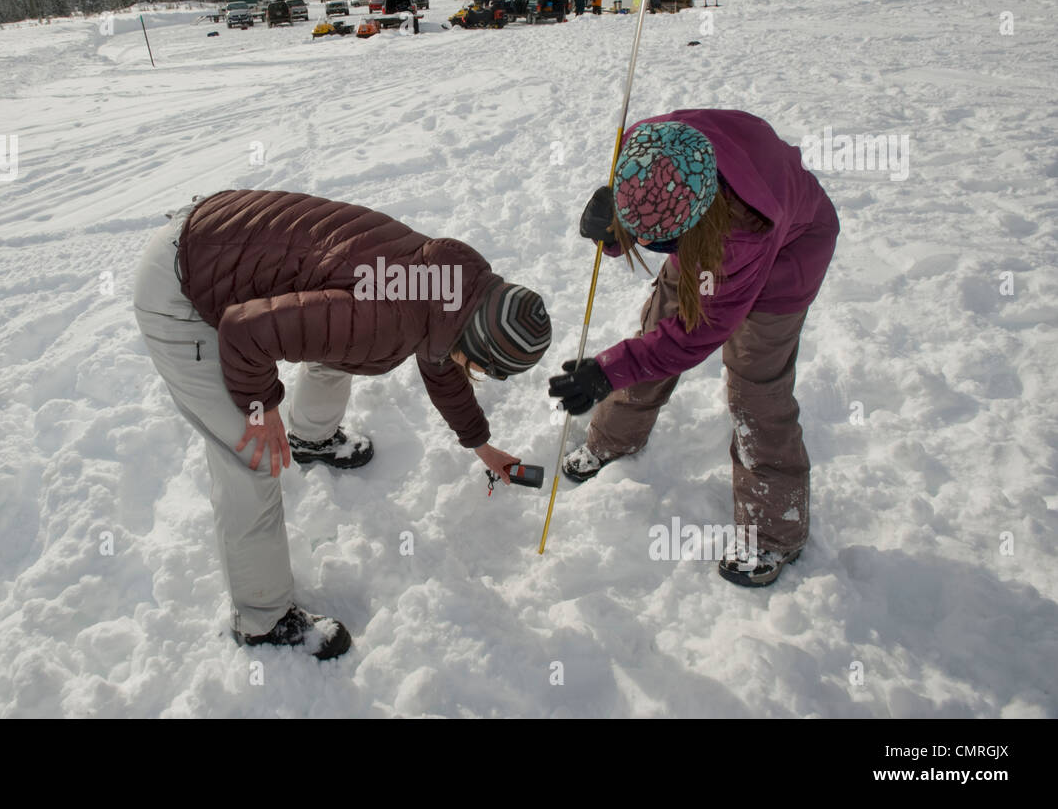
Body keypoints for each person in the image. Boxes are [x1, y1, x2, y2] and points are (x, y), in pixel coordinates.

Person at [134, 190, 551, 659]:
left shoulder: (449, 285)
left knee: (343, 343)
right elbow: (242, 331)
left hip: (216, 231)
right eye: (478, 365)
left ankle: (312, 439)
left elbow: (438, 362)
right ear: (473, 346)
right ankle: (263, 621)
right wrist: (260, 407)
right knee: (251, 456)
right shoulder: (386, 321)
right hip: (183, 287)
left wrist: (481, 445)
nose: (469, 370)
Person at [548, 111, 838, 587]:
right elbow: (646, 215)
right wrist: (613, 226)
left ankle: (774, 529)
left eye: (657, 242)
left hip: (788, 257)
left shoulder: (743, 232)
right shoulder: (647, 143)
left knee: (756, 391)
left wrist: (605, 371)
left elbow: (691, 336)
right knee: (652, 334)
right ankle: (615, 437)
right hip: (709, 234)